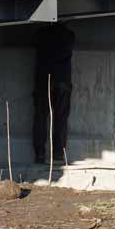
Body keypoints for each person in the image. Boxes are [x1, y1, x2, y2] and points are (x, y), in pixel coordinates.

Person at [32, 23, 74, 164]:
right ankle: (58, 154)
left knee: (41, 117)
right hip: (63, 80)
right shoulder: (69, 35)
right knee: (61, 118)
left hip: (44, 81)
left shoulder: (40, 34)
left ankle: (40, 154)